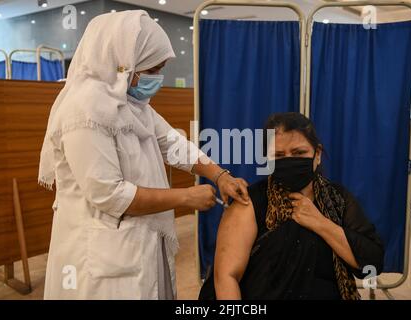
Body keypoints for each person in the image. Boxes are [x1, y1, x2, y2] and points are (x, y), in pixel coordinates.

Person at [38, 10, 249, 300]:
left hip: (138, 238)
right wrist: (186, 198)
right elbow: (109, 194)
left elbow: (173, 143)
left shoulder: (131, 103)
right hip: (100, 255)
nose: (157, 78)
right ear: (123, 62)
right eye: (151, 69)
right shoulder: (83, 112)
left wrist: (219, 175)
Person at [200, 112, 384, 300]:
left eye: (299, 153)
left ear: (317, 154)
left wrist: (320, 223)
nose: (289, 160)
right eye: (278, 156)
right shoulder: (249, 202)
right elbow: (226, 278)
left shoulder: (338, 200)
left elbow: (370, 264)